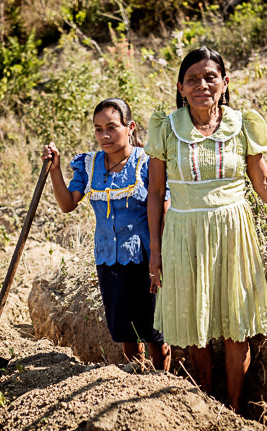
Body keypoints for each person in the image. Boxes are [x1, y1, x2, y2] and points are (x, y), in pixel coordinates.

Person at [145, 47, 267, 412]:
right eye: (193, 79)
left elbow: (264, 184)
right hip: (184, 234)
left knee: (236, 327)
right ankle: (205, 402)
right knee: (194, 326)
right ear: (181, 88)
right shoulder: (166, 128)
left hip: (233, 232)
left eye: (210, 77)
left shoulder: (242, 124)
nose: (202, 85)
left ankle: (232, 409)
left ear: (225, 82)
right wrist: (155, 249)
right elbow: (155, 192)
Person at [42, 98, 171, 371]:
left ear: (130, 127)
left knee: (155, 334)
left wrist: (158, 259)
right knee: (125, 331)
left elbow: (163, 210)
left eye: (112, 127)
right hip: (108, 261)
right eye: (98, 129)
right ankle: (135, 380)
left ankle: (162, 382)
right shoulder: (89, 165)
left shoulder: (148, 163)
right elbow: (67, 204)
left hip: (145, 259)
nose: (105, 135)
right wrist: (55, 170)